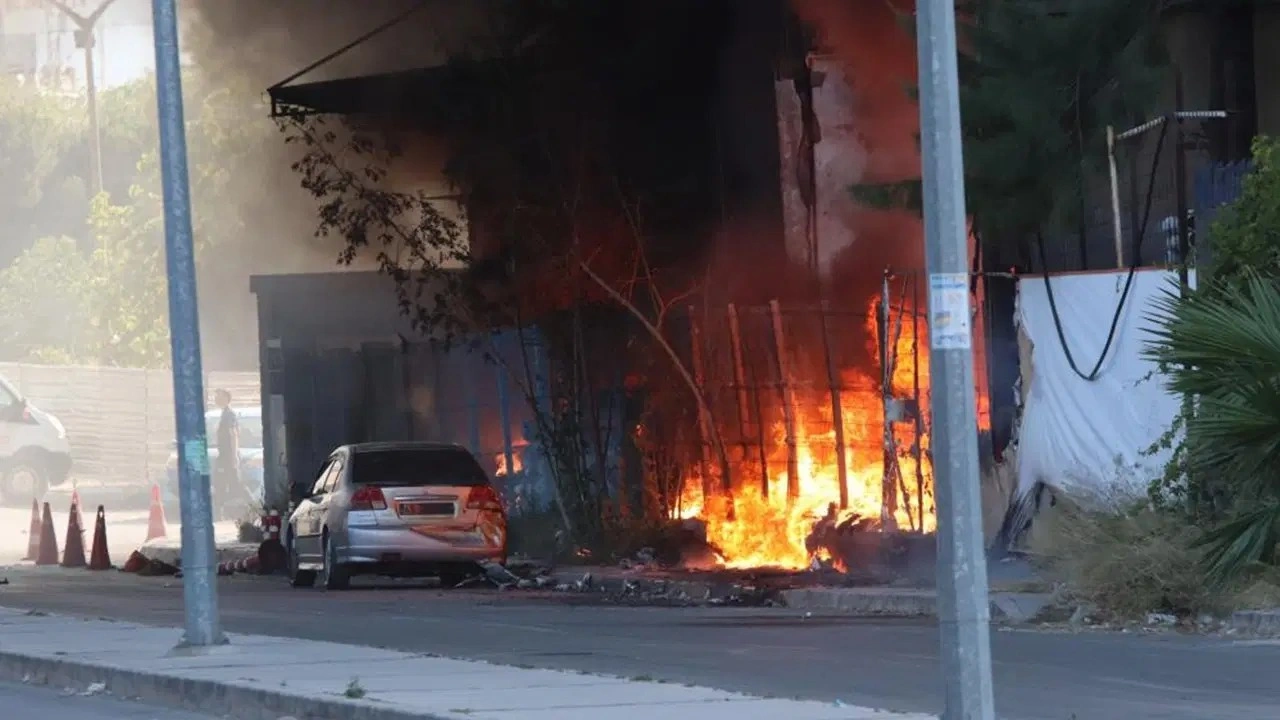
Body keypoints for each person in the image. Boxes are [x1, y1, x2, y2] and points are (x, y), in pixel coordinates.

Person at [212, 389, 241, 518]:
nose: (216, 399)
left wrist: (234, 456)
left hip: (228, 456)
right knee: (221, 483)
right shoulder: (224, 414)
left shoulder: (229, 415)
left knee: (234, 483)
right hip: (223, 455)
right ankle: (220, 511)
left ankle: (250, 506)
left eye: (219, 396)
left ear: (226, 398)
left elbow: (233, 435)